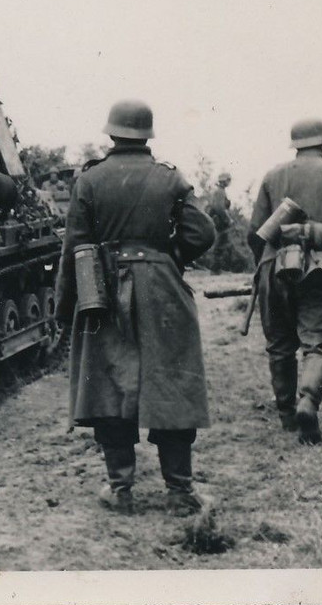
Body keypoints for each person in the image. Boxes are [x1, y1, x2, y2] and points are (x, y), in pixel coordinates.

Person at [55, 99, 216, 516]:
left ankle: (120, 489)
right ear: (147, 135)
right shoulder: (170, 177)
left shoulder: (89, 181)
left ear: (111, 134)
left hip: (103, 290)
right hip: (163, 289)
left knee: (109, 384)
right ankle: (180, 493)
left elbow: (73, 248)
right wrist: (168, 257)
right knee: (172, 382)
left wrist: (64, 307)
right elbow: (203, 231)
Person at [249, 118, 322, 445]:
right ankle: (308, 402)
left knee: (280, 344)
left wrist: (265, 270)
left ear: (296, 145)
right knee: (319, 343)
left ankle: (286, 416)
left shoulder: (272, 175)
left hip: (275, 266)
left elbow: (254, 233)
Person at [206, 172, 233, 272]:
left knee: (222, 244)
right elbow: (219, 208)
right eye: (228, 180)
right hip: (220, 222)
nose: (229, 182)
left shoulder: (220, 191)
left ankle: (217, 268)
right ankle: (215, 269)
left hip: (219, 221)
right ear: (224, 181)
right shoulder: (220, 192)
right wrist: (228, 219)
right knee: (220, 244)